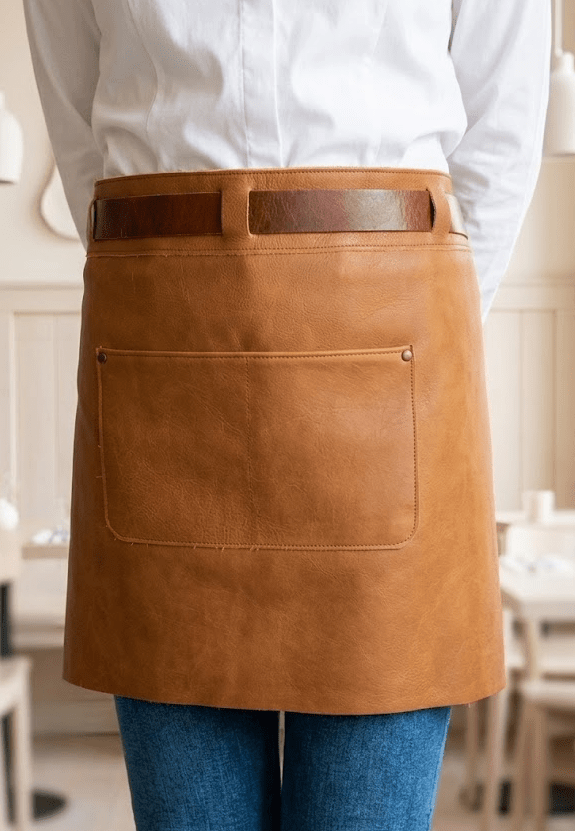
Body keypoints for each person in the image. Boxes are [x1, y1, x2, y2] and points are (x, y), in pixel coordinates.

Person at [23, 1, 550, 829]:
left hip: (391, 353)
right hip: (163, 350)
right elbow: (81, 131)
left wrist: (418, 324)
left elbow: (501, 136)